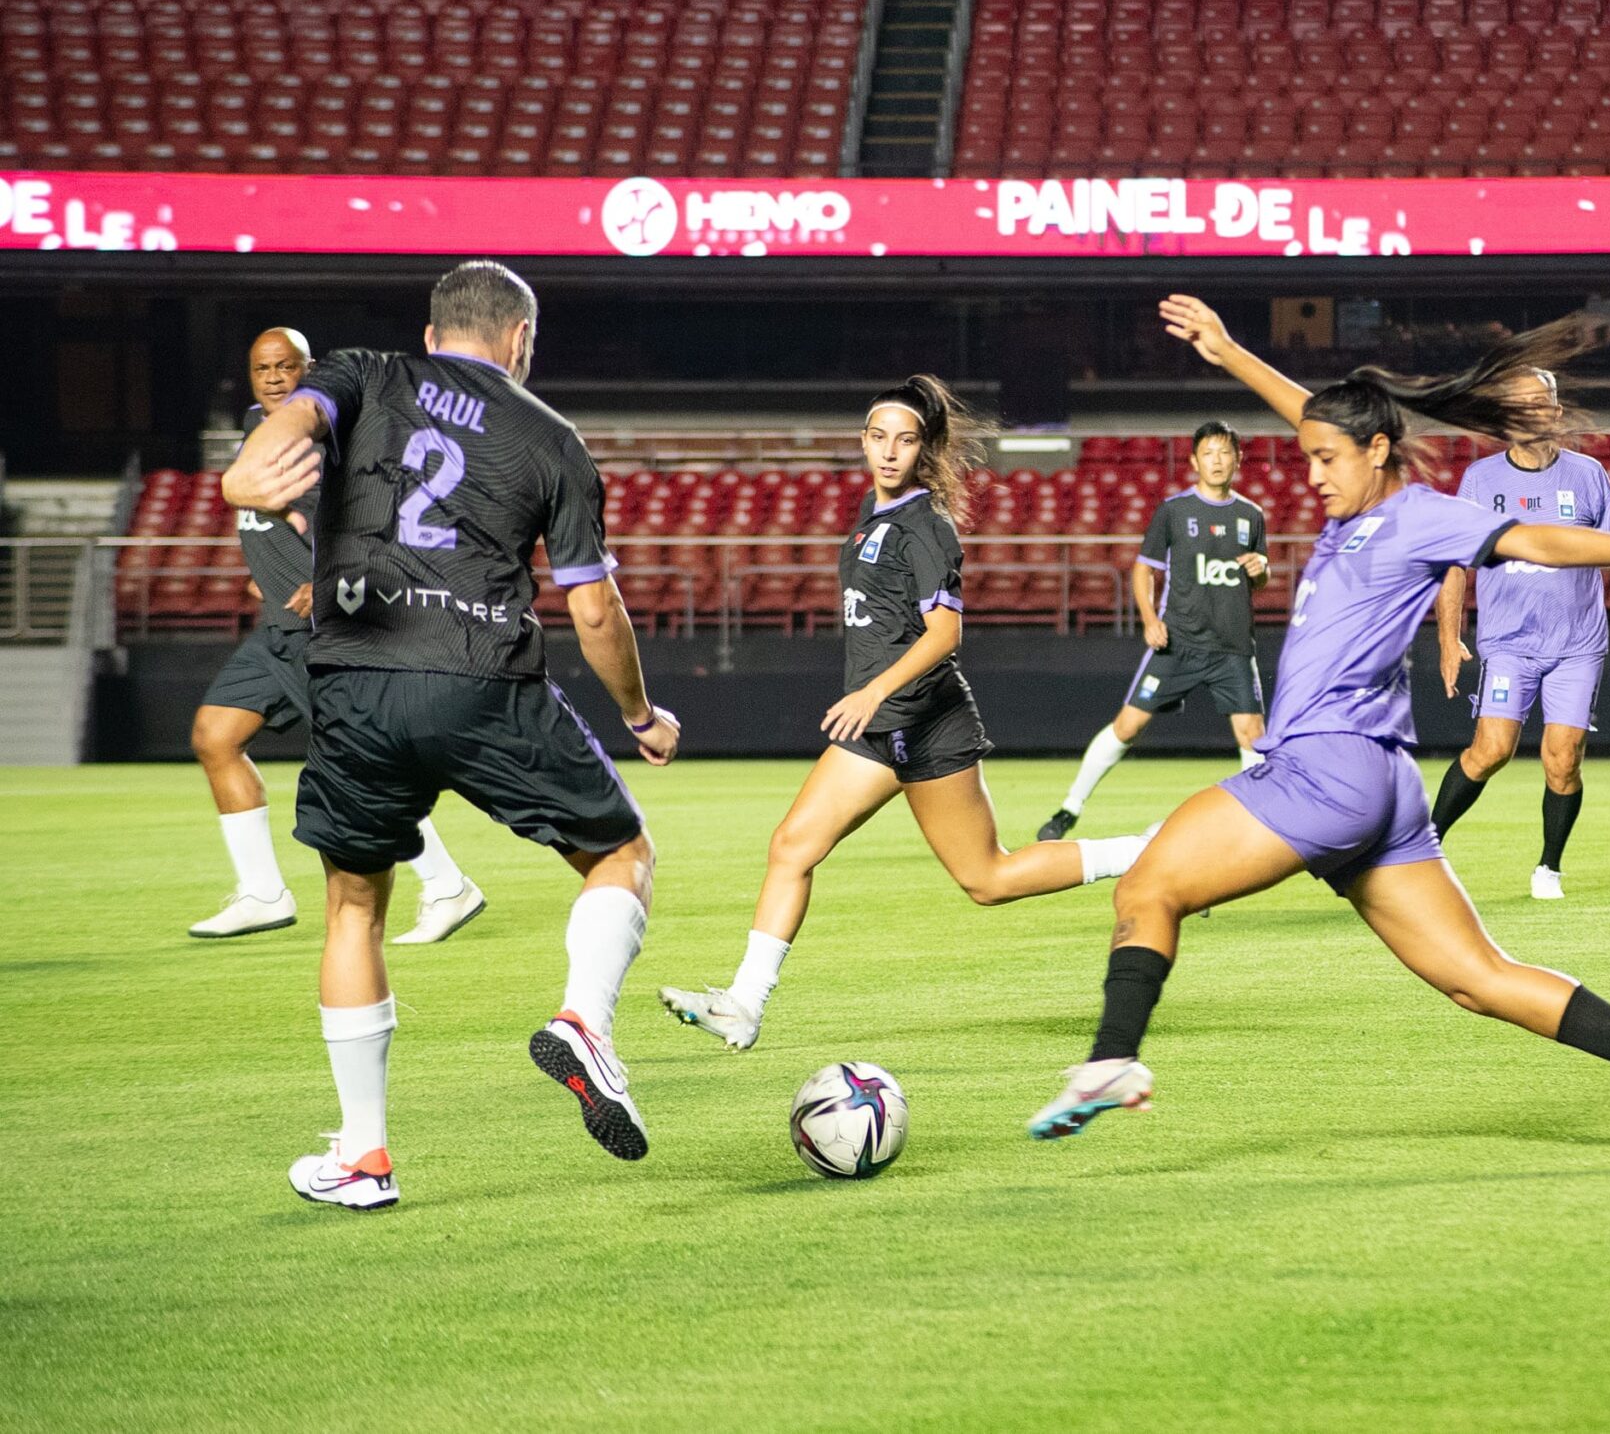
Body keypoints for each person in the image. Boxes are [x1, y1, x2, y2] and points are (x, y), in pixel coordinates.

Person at [1027, 295, 1610, 1165]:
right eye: (1308, 458)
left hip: (1324, 772)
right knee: (1476, 979)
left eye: (1327, 459)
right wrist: (1226, 352)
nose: (1312, 475)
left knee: (1148, 889)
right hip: (1379, 787)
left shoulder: (1419, 514)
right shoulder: (1353, 506)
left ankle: (1112, 1059)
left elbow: (1542, 541)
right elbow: (1312, 415)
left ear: (1377, 451)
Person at [224, 261, 682, 1210]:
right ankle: (585, 1022)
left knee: (355, 909)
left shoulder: (365, 373)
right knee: (620, 853)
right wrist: (640, 715)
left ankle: (364, 1157)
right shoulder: (553, 440)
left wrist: (246, 468)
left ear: (433, 334)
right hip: (483, 686)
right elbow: (594, 611)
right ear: (521, 341)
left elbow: (296, 423)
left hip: (353, 683)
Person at [660, 376, 1155, 1053]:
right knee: (792, 847)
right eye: (880, 437)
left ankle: (1145, 850)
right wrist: (871, 701)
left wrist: (870, 692)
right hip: (876, 732)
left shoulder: (926, 526)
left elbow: (945, 634)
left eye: (906, 440)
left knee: (988, 879)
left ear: (922, 450)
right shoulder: (873, 510)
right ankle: (744, 1003)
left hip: (927, 722)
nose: (890, 451)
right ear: (863, 441)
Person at [189, 326, 488, 943]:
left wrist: (330, 584)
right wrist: (265, 572)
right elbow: (273, 518)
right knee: (215, 735)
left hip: (324, 628)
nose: (273, 377)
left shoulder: (336, 439)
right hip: (278, 625)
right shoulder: (259, 427)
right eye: (261, 367)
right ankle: (263, 893)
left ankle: (446, 885)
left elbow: (378, 525)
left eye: (285, 366)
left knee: (361, 766)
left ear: (311, 368)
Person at [1430, 376, 1610, 896]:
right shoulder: (1481, 480)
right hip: (1508, 644)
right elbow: (1455, 566)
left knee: (1563, 757)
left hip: (1577, 644)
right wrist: (1449, 637)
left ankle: (1548, 867)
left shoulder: (1588, 475)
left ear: (1556, 412)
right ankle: (1424, 846)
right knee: (1491, 750)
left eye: (1539, 403)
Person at [1038, 419, 1271, 842]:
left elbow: (1256, 577)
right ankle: (1070, 807)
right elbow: (1144, 568)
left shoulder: (1250, 515)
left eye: (1224, 452)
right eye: (1208, 453)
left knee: (1253, 736)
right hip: (1177, 642)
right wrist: (1149, 619)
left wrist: (1262, 569)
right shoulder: (1174, 511)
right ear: (1194, 460)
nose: (1217, 461)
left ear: (1238, 458)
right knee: (1127, 726)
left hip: (1233, 647)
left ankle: (1257, 830)